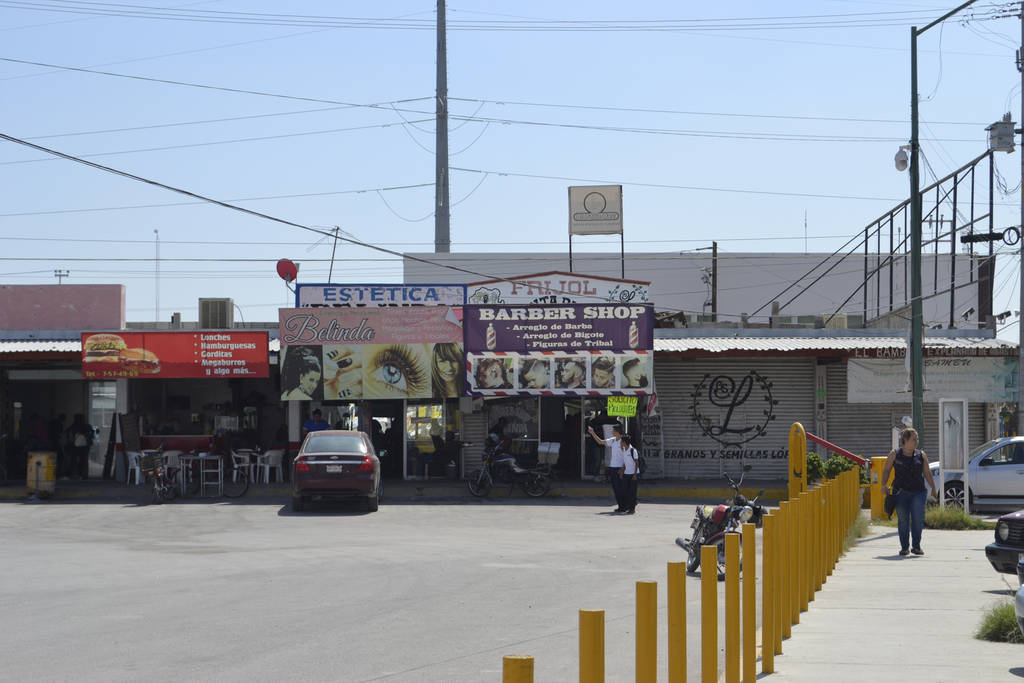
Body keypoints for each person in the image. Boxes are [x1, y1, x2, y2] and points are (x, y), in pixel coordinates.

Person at [881, 428, 938, 556]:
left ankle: (916, 546)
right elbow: (886, 470)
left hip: (918, 492)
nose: (916, 441)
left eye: (917, 439)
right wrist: (883, 485)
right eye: (914, 439)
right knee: (903, 520)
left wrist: (933, 488)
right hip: (900, 493)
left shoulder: (921, 455)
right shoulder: (894, 454)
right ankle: (904, 547)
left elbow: (927, 472)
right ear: (905, 440)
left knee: (918, 519)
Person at [587, 423, 627, 513]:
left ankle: (626, 505)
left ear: (617, 432)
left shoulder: (623, 441)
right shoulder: (613, 440)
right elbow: (600, 442)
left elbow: (626, 456)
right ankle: (621, 506)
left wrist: (623, 468)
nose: (612, 432)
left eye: (613, 431)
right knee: (616, 488)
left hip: (620, 468)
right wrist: (592, 433)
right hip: (613, 467)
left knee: (622, 488)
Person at [67, 414, 93, 480]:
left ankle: (74, 474)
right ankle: (83, 475)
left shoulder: (73, 426)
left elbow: (69, 436)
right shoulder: (87, 426)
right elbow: (91, 435)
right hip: (85, 446)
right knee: (84, 460)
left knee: (74, 460)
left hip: (75, 445)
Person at [619, 434, 640, 514]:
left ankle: (632, 509)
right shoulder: (624, 450)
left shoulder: (633, 450)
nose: (620, 443)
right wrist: (622, 471)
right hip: (626, 473)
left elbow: (637, 463)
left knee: (632, 492)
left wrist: (635, 475)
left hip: (633, 474)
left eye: (621, 442)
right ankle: (628, 506)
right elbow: (625, 462)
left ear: (624, 442)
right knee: (625, 491)